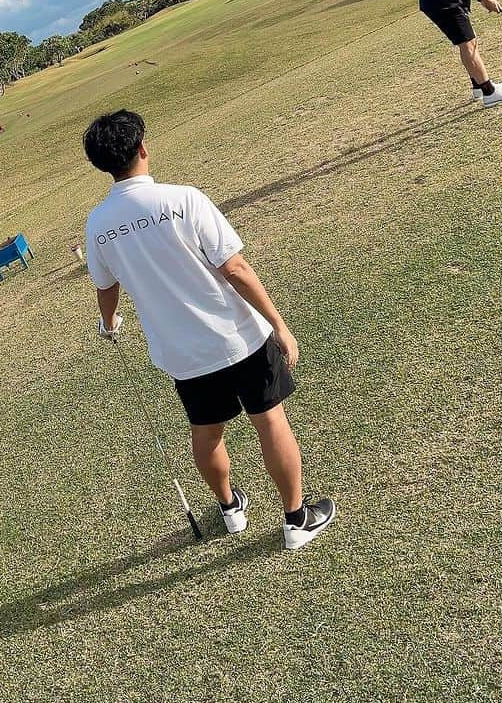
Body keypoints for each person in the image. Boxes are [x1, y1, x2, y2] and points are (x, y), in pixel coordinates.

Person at [82, 110, 335, 550]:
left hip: (182, 353)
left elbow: (106, 286)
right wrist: (279, 323)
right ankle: (296, 520)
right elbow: (234, 267)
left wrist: (109, 324)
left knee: (207, 430)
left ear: (104, 165)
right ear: (142, 148)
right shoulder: (184, 198)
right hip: (239, 337)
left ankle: (230, 509)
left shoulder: (98, 224)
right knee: (269, 419)